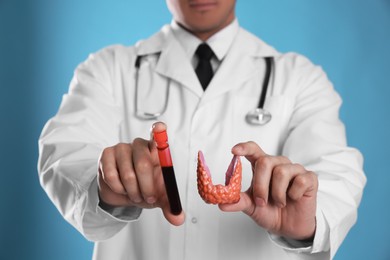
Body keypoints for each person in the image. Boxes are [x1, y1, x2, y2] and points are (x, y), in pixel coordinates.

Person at [38, 0, 366, 259]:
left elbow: (336, 173)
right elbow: (63, 153)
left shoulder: (300, 78)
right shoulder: (108, 69)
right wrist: (106, 183)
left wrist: (306, 221)